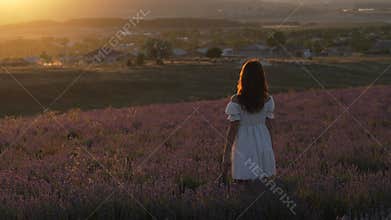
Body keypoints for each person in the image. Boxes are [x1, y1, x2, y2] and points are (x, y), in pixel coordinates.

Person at [221, 59, 276, 184]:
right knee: (264, 183)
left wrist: (226, 155)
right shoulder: (268, 100)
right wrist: (270, 147)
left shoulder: (236, 101)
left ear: (243, 78)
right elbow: (269, 126)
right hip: (263, 142)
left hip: (243, 145)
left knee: (244, 183)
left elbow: (232, 130)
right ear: (261, 78)